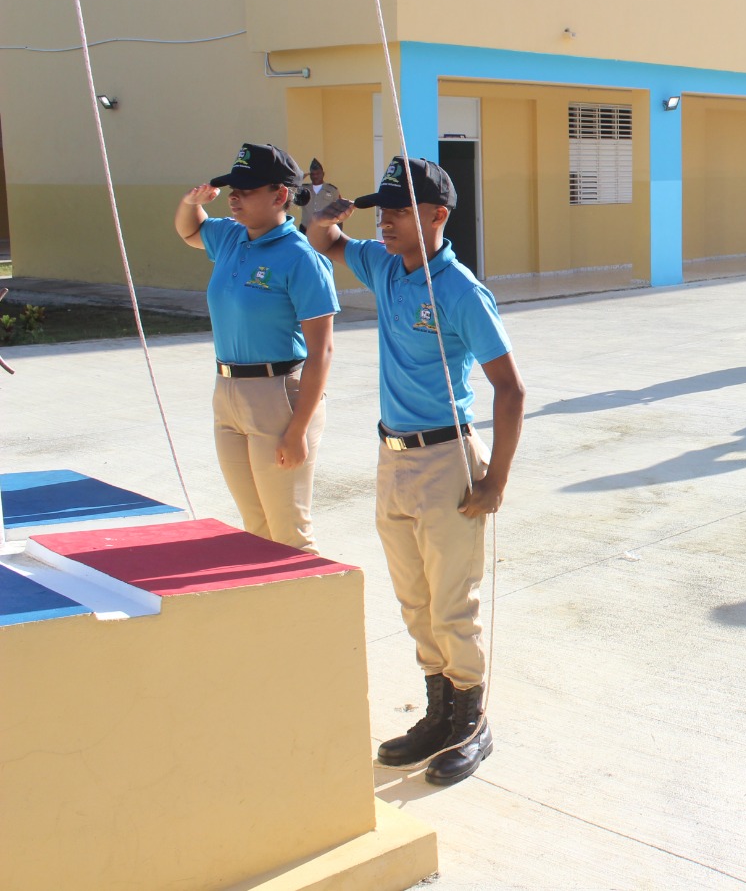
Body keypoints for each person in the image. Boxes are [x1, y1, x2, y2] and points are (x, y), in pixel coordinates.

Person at [307, 155, 525, 786]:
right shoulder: (385, 269)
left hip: (445, 459)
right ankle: (439, 711)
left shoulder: (460, 291)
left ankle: (472, 720)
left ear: (437, 215)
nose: (387, 223)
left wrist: (495, 480)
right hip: (393, 458)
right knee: (414, 599)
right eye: (383, 212)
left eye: (399, 211)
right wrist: (325, 204)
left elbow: (509, 389)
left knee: (453, 602)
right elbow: (325, 238)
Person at [174, 142, 338, 552]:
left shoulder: (301, 257)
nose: (234, 198)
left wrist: (298, 429)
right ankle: (272, 614)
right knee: (255, 528)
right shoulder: (231, 237)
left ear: (280, 195)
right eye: (232, 189)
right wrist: (190, 201)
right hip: (227, 392)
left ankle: (308, 613)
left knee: (289, 532)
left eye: (246, 190)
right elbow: (189, 229)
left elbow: (322, 352)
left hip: (278, 396)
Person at [296, 157, 342, 233]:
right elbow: (290, 191)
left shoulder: (332, 190)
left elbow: (339, 211)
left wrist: (339, 232)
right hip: (306, 230)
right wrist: (299, 180)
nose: (315, 176)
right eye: (313, 174)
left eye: (318, 173)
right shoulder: (303, 189)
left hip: (325, 231)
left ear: (323, 174)